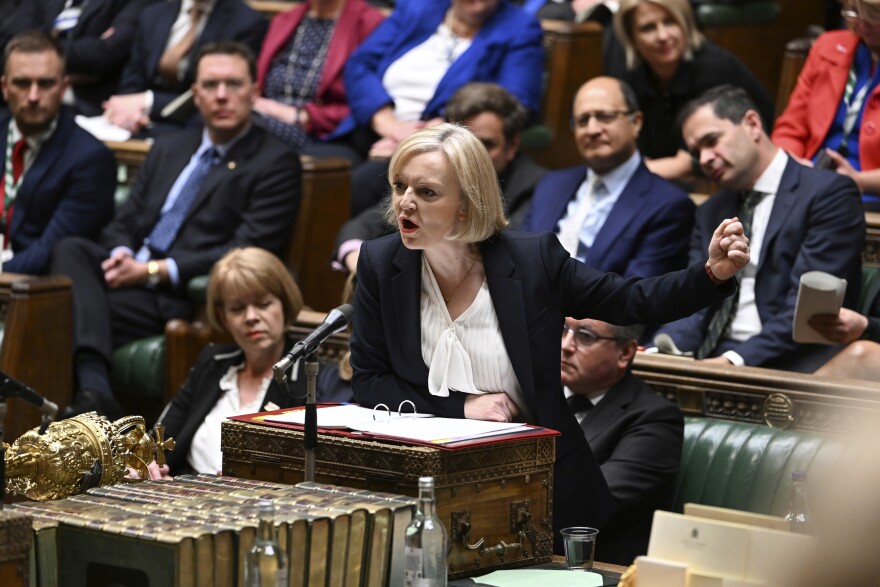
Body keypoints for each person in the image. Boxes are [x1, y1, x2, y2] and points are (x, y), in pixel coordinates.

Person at [350, 122, 749, 553]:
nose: (405, 203)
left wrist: (710, 275)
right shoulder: (380, 263)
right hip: (428, 481)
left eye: (426, 192)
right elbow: (371, 382)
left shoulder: (532, 259)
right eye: (399, 186)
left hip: (538, 485)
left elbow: (632, 300)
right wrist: (462, 407)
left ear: (466, 204)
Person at [52, 40, 301, 420]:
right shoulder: (171, 146)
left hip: (179, 293)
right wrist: (120, 252)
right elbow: (127, 220)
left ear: (254, 92)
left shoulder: (275, 162)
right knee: (70, 249)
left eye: (233, 85)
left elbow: (246, 248)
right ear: (195, 94)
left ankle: (89, 394)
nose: (222, 96)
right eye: (211, 85)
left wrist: (153, 270)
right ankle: (95, 393)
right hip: (129, 274)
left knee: (54, 314)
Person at [655, 85, 865, 372]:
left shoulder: (828, 194)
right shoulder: (710, 212)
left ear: (752, 124)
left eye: (711, 141)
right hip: (710, 356)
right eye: (696, 152)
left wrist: (732, 362)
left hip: (789, 364)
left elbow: (807, 311)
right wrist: (660, 350)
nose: (704, 159)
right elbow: (694, 297)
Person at [315, 0, 544, 215]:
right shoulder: (419, 7)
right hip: (370, 127)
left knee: (363, 183)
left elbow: (516, 100)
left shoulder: (519, 27)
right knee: (315, 170)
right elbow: (360, 65)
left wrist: (426, 135)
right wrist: (389, 124)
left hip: (437, 146)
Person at [334, 82, 547, 273]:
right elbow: (363, 226)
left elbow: (504, 254)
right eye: (465, 144)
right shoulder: (428, 175)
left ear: (512, 146)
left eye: (486, 145)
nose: (473, 156)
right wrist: (358, 262)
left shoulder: (534, 184)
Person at [153, 247, 308, 477]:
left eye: (263, 304)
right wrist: (151, 465)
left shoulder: (306, 380)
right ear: (224, 317)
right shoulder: (213, 363)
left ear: (284, 304)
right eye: (237, 308)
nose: (251, 317)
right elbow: (159, 441)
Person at [521, 76, 694, 279]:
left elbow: (639, 295)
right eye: (583, 120)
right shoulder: (550, 184)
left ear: (636, 122)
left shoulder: (668, 205)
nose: (592, 130)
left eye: (605, 117)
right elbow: (518, 259)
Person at [603, 0, 775, 183]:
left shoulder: (714, 68)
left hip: (731, 180)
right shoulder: (631, 76)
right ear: (632, 38)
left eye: (670, 22)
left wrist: (623, 174)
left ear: (685, 23)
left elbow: (690, 163)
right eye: (648, 28)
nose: (663, 36)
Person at [561, 317, 683, 565]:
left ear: (625, 352)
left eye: (585, 336)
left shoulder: (655, 419)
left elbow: (594, 502)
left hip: (593, 570)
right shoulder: (528, 394)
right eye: (562, 329)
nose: (565, 345)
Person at [0, 31, 116, 275]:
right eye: (22, 83)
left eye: (45, 84)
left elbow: (48, 254)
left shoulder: (90, 159)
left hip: (33, 291)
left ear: (63, 88)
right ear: (4, 87)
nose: (33, 96)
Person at [771, 0, 880, 211]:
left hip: (868, 196)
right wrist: (792, 163)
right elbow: (790, 128)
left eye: (874, 16)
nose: (862, 23)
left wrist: (860, 180)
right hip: (808, 182)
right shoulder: (827, 47)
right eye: (854, 12)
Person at [103, 0, 267, 136]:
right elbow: (133, 77)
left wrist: (149, 101)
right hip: (138, 122)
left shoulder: (246, 22)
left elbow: (219, 91)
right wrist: (127, 112)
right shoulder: (153, 14)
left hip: (196, 124)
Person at [253, 0, 384, 150]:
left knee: (243, 128)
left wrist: (302, 115)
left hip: (317, 132)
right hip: (262, 114)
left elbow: (369, 102)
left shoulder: (368, 23)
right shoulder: (285, 19)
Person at [26, 0, 160, 116]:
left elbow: (108, 52)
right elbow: (21, 44)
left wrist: (40, 51)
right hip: (29, 97)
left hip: (92, 106)